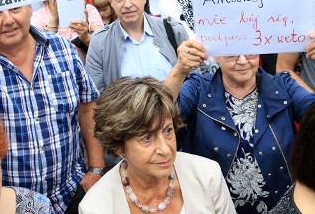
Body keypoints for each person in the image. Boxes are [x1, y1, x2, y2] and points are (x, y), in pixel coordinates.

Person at [0, 0, 105, 214]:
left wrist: (95, 169)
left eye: (15, 8)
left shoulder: (62, 48)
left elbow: (87, 106)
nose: (8, 19)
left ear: (30, 8)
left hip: (71, 193)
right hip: (10, 205)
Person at [164, 30, 315, 213]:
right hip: (216, 207)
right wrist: (179, 70)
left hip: (281, 207)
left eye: (250, 52)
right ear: (216, 56)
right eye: (231, 54)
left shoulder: (283, 86)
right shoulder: (198, 89)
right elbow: (155, 115)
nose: (243, 60)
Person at [79, 77, 236, 214]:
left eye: (168, 130)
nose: (166, 149)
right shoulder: (96, 207)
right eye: (147, 138)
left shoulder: (208, 176)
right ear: (118, 146)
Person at [85, 0, 196, 93]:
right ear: (111, 1)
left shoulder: (173, 31)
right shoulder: (100, 42)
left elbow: (194, 82)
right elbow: (97, 97)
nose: (127, 4)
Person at [32, 0, 103, 58]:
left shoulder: (88, 10)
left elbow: (103, 48)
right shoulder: (37, 17)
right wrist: (54, 20)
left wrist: (86, 37)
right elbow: (38, 54)